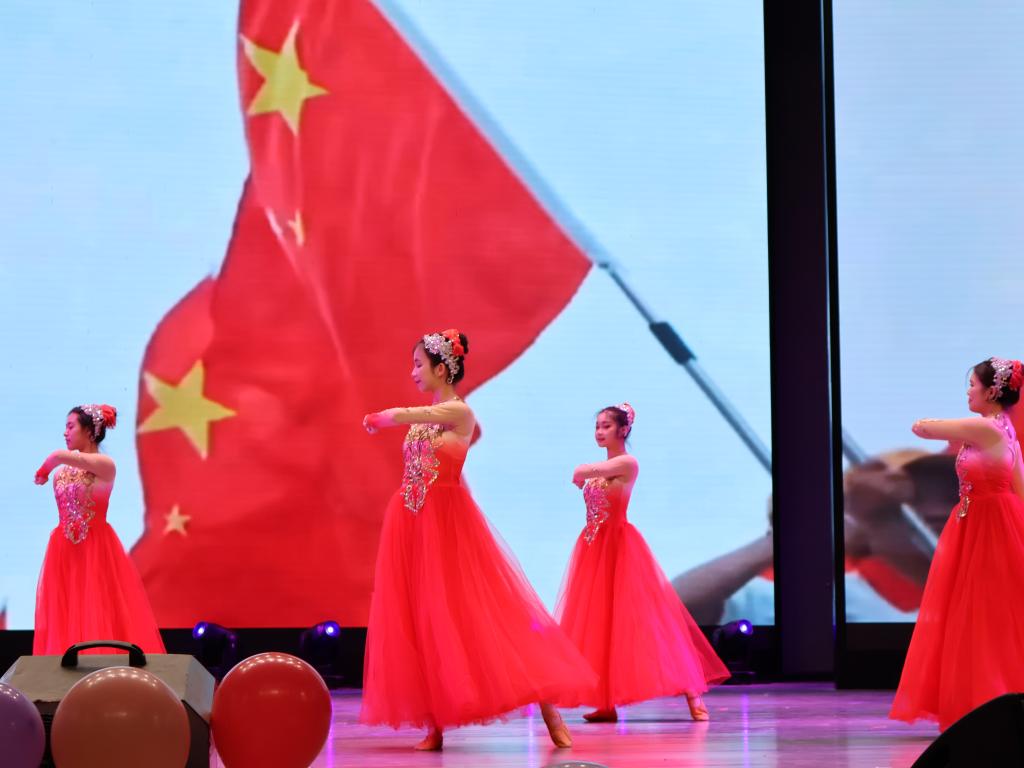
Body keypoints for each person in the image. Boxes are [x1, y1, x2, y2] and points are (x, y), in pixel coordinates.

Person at [359, 329, 596, 751]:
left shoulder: (459, 412)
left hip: (449, 525)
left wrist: (385, 417)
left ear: (442, 368)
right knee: (421, 619)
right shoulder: (428, 417)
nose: (413, 372)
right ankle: (435, 724)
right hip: (412, 521)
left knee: (492, 614)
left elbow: (412, 416)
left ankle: (549, 709)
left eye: (419, 364)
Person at [556, 403, 729, 722]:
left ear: (623, 430)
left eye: (606, 426)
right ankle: (606, 702)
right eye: (597, 426)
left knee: (648, 623)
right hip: (594, 548)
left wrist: (583, 474)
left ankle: (693, 693)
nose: (599, 431)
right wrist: (584, 476)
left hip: (620, 547)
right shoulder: (606, 467)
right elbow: (583, 476)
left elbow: (580, 473)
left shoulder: (627, 463)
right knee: (600, 626)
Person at [890, 358, 1024, 730]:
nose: (968, 392)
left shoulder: (986, 428)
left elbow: (922, 428)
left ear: (992, 391)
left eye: (972, 385)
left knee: (984, 612)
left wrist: (945, 427)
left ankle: (991, 698)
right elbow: (1019, 487)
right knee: (982, 613)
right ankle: (984, 697)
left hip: (989, 527)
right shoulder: (1004, 430)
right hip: (981, 522)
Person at [33, 405, 164, 655]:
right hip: (64, 551)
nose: (65, 432)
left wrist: (46, 466)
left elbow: (58, 456)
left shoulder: (105, 465)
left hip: (96, 550)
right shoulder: (61, 474)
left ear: (89, 432)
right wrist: (50, 468)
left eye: (70, 426)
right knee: (65, 613)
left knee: (97, 609)